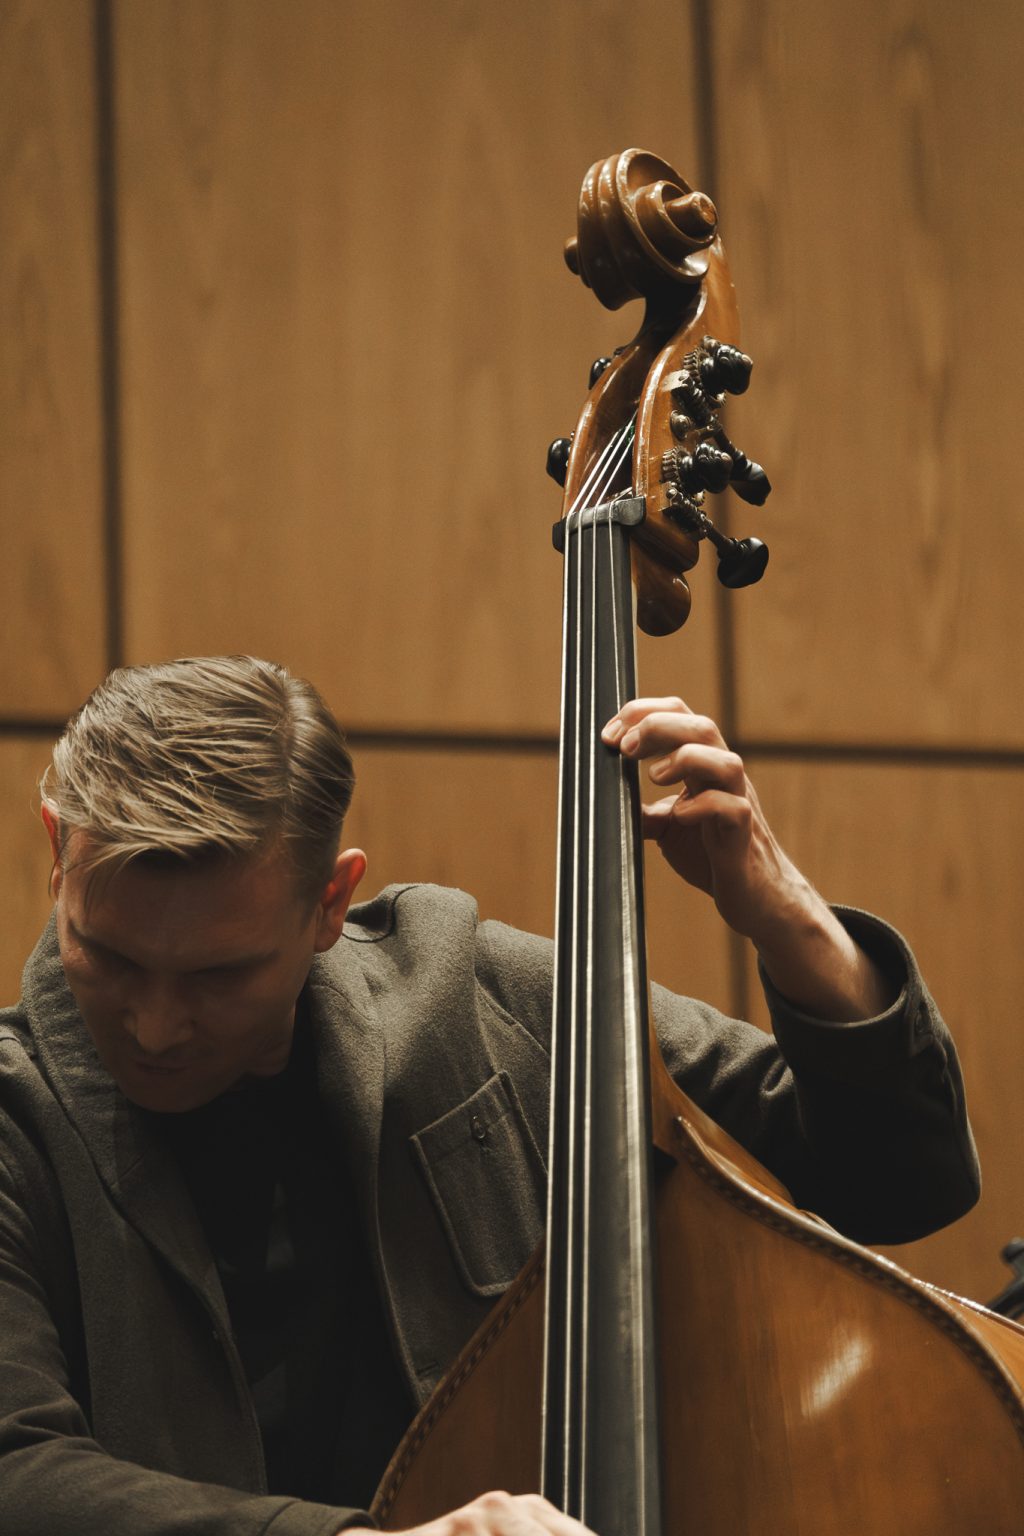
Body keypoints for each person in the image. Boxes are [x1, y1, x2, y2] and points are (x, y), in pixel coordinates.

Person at [0, 655, 978, 1536]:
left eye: (220, 976)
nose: (156, 1027)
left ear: (330, 902)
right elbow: (18, 1469)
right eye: (110, 957)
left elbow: (901, 1181)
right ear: (56, 852)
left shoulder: (466, 992)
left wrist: (783, 912)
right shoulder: (14, 1115)